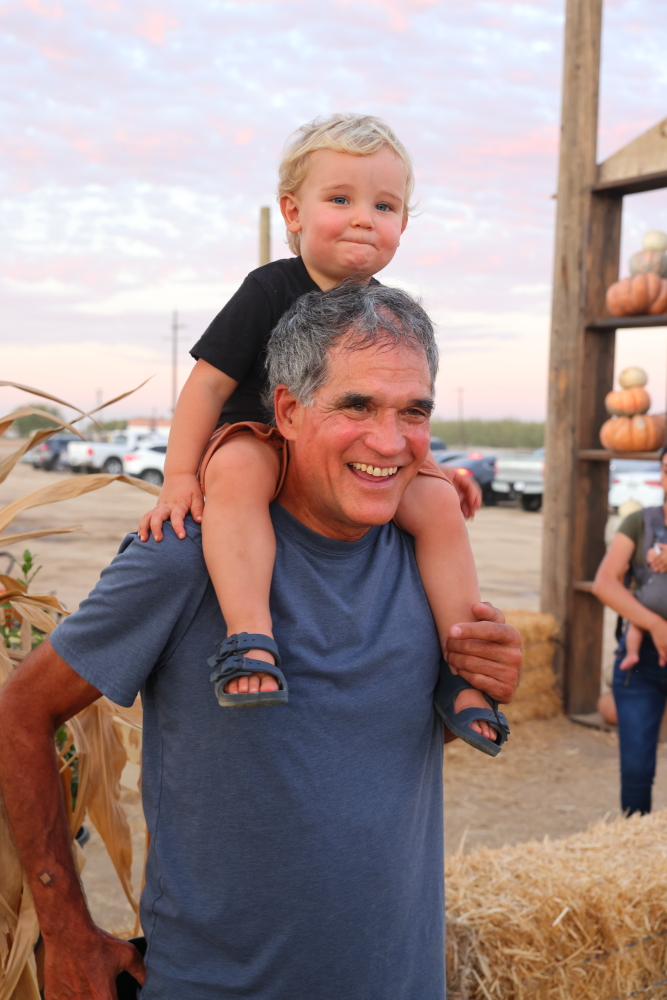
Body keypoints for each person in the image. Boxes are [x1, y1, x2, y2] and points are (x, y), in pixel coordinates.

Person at [0, 283, 521, 1000]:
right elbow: (18, 714)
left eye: (414, 411)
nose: (390, 440)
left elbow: (368, 744)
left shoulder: (426, 560)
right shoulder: (185, 557)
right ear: (286, 410)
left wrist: (486, 677)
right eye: (357, 405)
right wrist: (64, 928)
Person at [136, 112, 495, 738]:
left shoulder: (386, 312)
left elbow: (395, 406)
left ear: (403, 225)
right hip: (260, 434)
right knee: (242, 469)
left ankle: (463, 665)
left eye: (385, 206)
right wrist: (178, 474)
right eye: (340, 198)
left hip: (337, 449)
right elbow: (209, 383)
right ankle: (250, 633)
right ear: (292, 214)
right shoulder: (269, 288)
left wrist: (432, 470)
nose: (364, 217)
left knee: (436, 505)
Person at [593, 446, 667, 815]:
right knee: (636, 768)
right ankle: (635, 845)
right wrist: (654, 624)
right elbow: (605, 583)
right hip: (644, 659)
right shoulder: (640, 522)